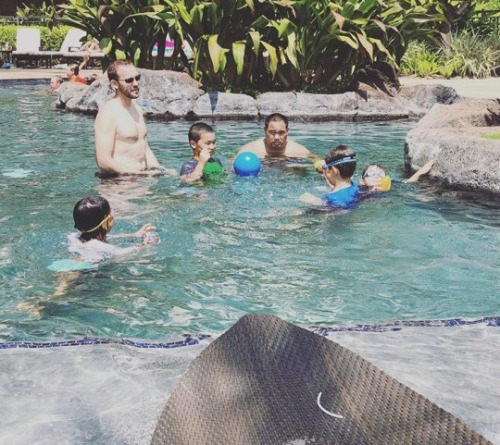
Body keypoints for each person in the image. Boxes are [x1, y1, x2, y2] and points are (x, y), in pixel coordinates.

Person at [94, 59, 173, 176]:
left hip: (140, 179)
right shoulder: (108, 113)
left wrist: (160, 171)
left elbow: (145, 147)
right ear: (114, 84)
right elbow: (103, 161)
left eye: (137, 78)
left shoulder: (137, 108)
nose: (136, 83)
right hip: (118, 183)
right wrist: (139, 174)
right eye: (129, 80)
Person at [70, 195, 158, 262]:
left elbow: (108, 238)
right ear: (104, 223)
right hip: (89, 273)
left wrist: (135, 235)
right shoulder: (99, 246)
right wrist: (146, 244)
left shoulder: (75, 236)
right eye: (111, 213)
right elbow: (123, 253)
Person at [237, 113, 311, 159]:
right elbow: (233, 165)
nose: (276, 137)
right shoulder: (250, 150)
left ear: (287, 131)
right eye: (272, 132)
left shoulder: (299, 151)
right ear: (265, 131)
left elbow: (315, 161)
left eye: (281, 132)